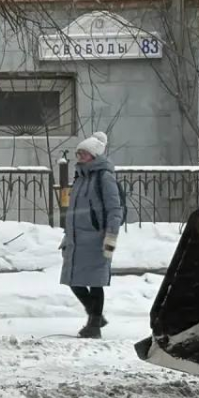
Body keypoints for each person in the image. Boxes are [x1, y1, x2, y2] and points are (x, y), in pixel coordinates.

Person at [61, 131, 122, 338]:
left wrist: (110, 239)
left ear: (94, 156)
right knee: (73, 280)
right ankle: (96, 316)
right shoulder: (80, 178)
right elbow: (74, 212)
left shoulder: (104, 177)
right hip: (77, 240)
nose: (80, 158)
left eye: (84, 154)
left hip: (97, 239)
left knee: (95, 282)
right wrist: (66, 237)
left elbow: (115, 209)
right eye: (78, 154)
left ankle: (94, 325)